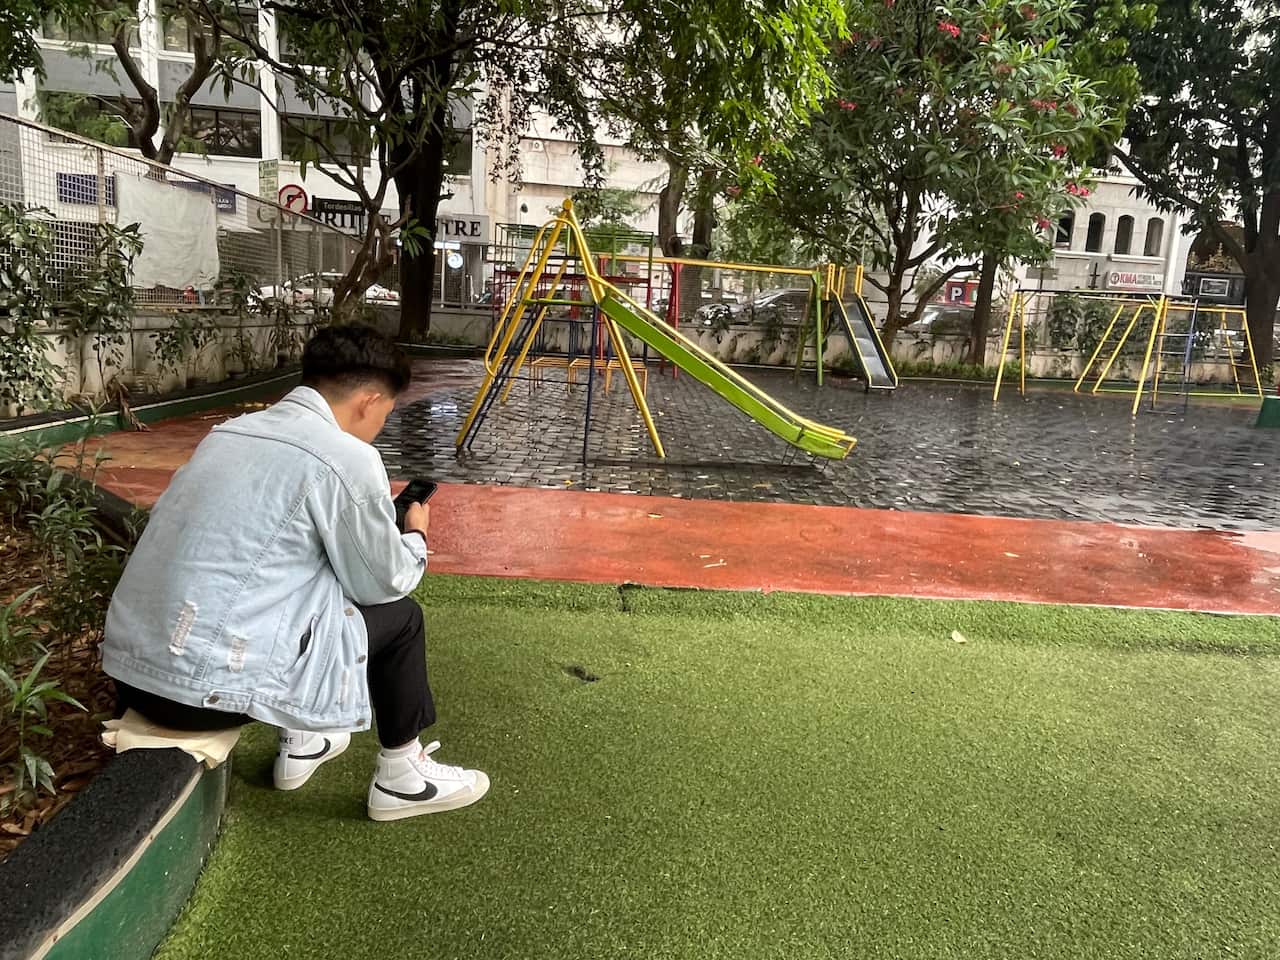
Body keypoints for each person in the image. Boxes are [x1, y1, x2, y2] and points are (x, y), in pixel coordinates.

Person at [102, 325, 487, 821]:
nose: (380, 425)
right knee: (401, 616)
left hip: (130, 675)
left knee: (293, 567)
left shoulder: (227, 435)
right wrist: (415, 536)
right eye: (387, 413)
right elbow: (384, 581)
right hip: (200, 693)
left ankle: (302, 740)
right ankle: (403, 776)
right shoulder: (348, 457)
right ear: (370, 401)